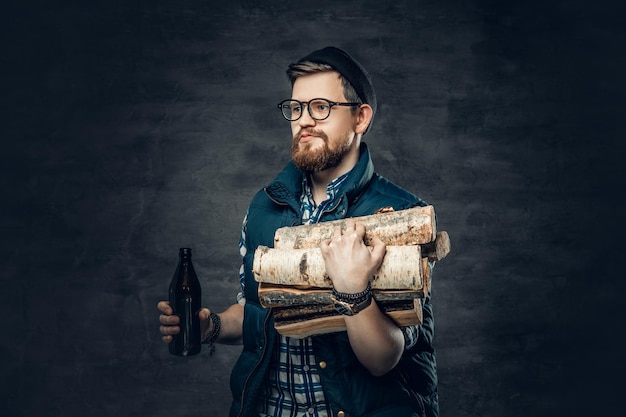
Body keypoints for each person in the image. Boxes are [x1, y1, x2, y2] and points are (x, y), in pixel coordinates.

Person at [158, 46, 439, 417]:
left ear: (360, 118)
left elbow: (383, 360)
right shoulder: (264, 207)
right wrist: (210, 325)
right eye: (296, 108)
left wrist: (354, 292)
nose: (304, 120)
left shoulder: (401, 216)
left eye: (321, 107)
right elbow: (257, 312)